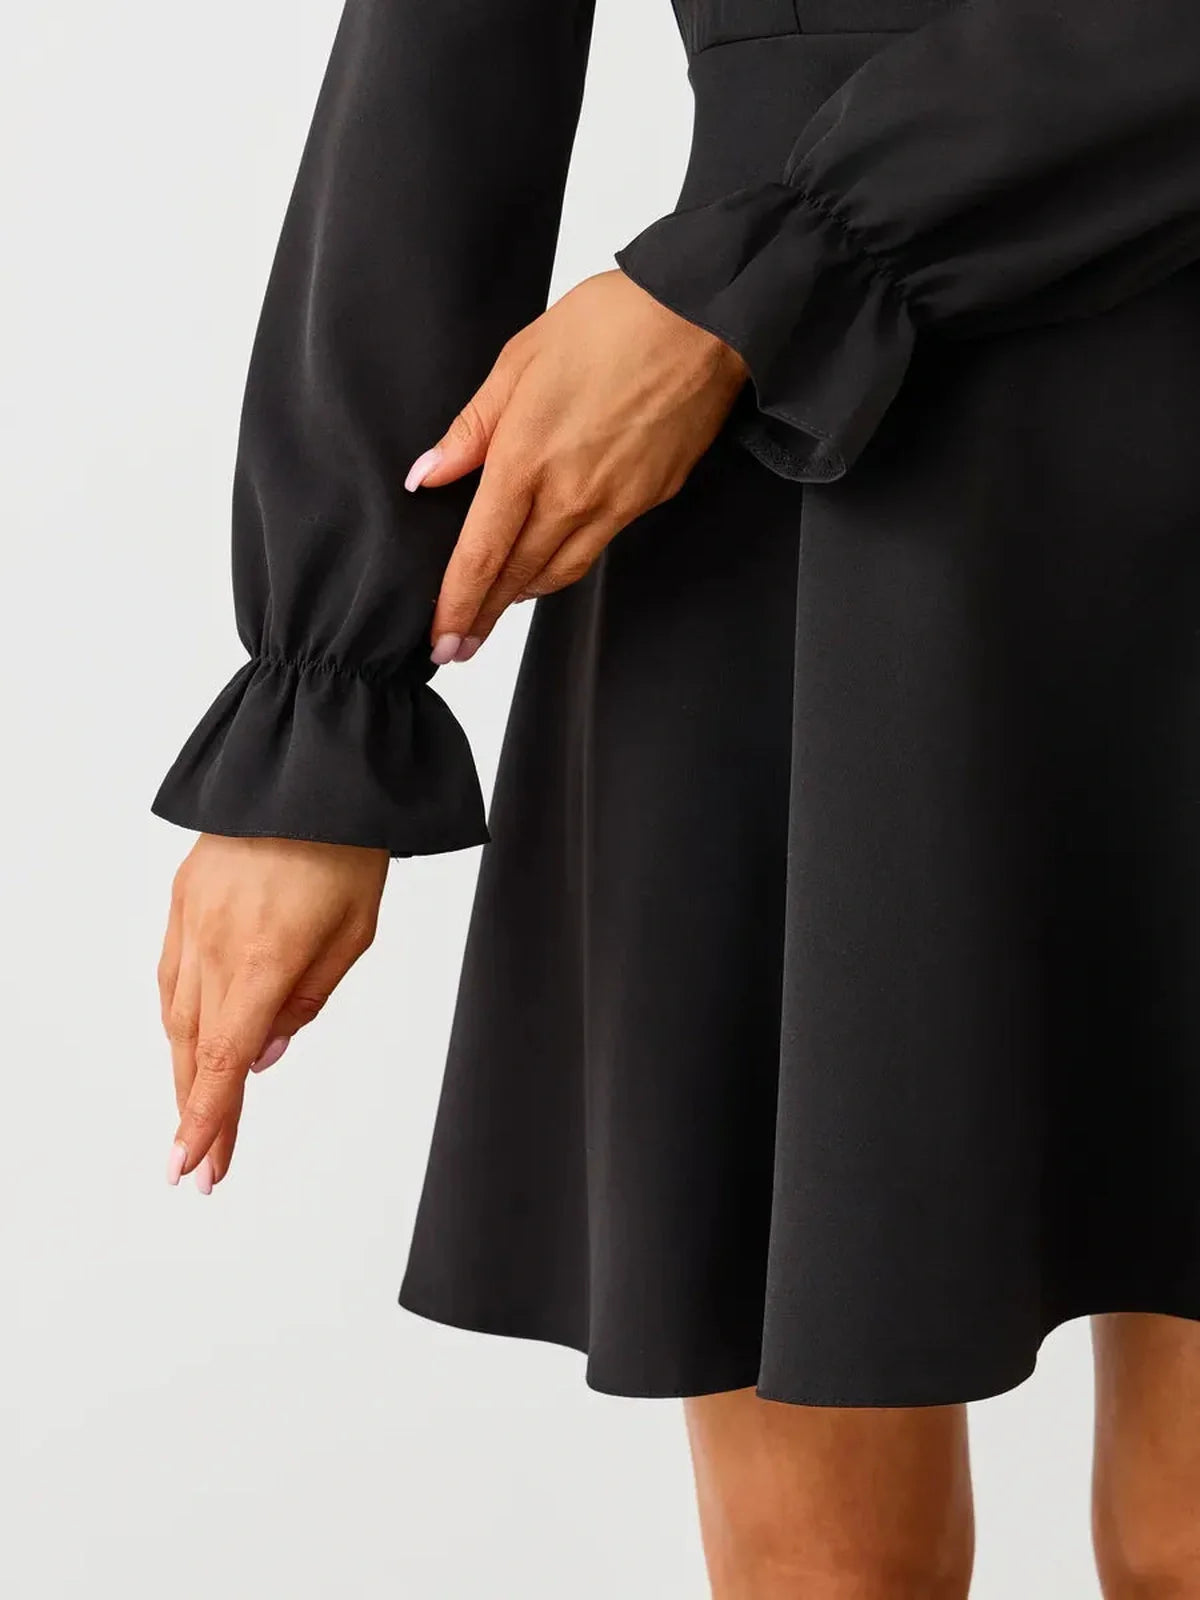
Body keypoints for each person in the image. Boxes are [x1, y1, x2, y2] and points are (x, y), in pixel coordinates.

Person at [153, 0, 1200, 1593]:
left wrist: (772, 266)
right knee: (825, 1571)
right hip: (784, 488)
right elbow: (445, 65)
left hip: (764, 354)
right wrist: (323, 719)